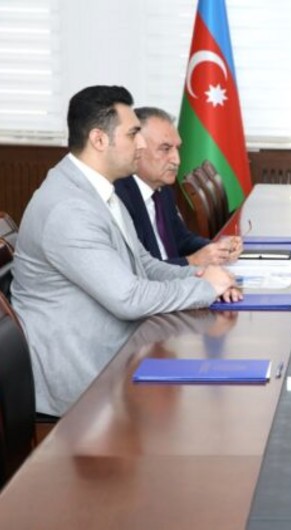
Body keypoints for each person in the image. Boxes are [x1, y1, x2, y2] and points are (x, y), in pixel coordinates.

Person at [11, 85, 240, 416]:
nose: (142, 144)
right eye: (133, 134)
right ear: (99, 140)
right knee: (206, 409)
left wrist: (204, 275)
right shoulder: (69, 208)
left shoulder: (100, 191)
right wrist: (205, 288)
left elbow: (143, 264)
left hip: (120, 350)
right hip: (84, 379)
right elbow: (128, 298)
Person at [114, 107, 242, 266]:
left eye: (177, 149)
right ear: (136, 149)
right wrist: (192, 261)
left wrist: (216, 248)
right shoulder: (119, 198)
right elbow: (138, 269)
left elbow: (180, 239)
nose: (177, 160)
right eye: (165, 149)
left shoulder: (163, 189)